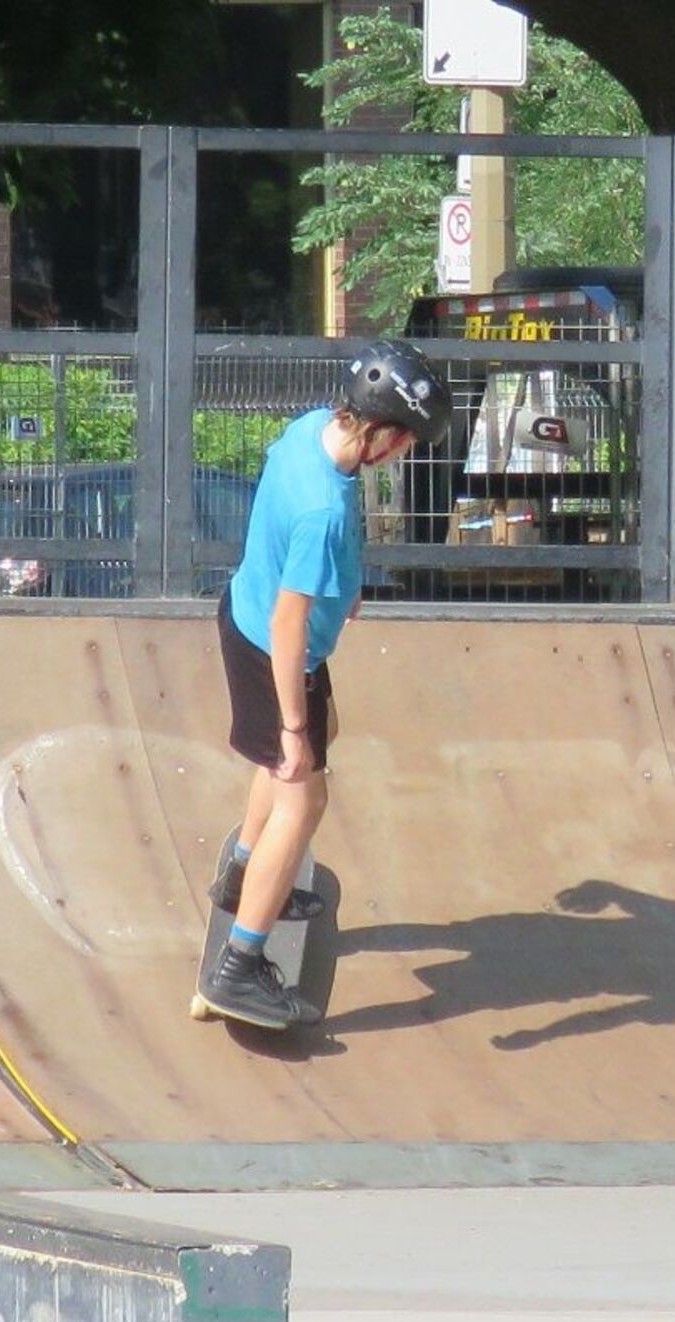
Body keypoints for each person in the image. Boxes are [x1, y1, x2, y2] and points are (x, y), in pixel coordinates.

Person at [197, 339, 452, 1029]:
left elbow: (292, 532)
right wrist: (291, 727)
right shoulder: (324, 511)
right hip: (276, 649)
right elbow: (289, 621)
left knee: (316, 739)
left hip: (243, 613)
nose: (403, 455)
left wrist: (345, 585)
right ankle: (239, 966)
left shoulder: (311, 429)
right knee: (303, 792)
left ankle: (243, 872)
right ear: (381, 433)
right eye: (406, 443)